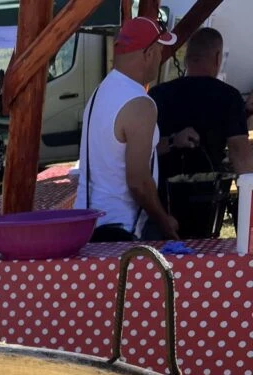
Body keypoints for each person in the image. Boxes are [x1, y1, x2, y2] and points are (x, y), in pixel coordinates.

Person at [74, 16, 182, 242]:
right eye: (161, 52)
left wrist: (171, 142)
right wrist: (165, 223)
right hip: (118, 229)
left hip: (85, 225)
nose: (160, 59)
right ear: (150, 52)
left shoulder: (101, 92)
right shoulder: (140, 103)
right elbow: (138, 181)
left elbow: (114, 154)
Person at [150, 27, 253, 236]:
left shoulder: (157, 94)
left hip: (160, 203)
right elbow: (240, 155)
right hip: (208, 201)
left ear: (187, 58)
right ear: (217, 57)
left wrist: (171, 142)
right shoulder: (229, 97)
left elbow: (143, 149)